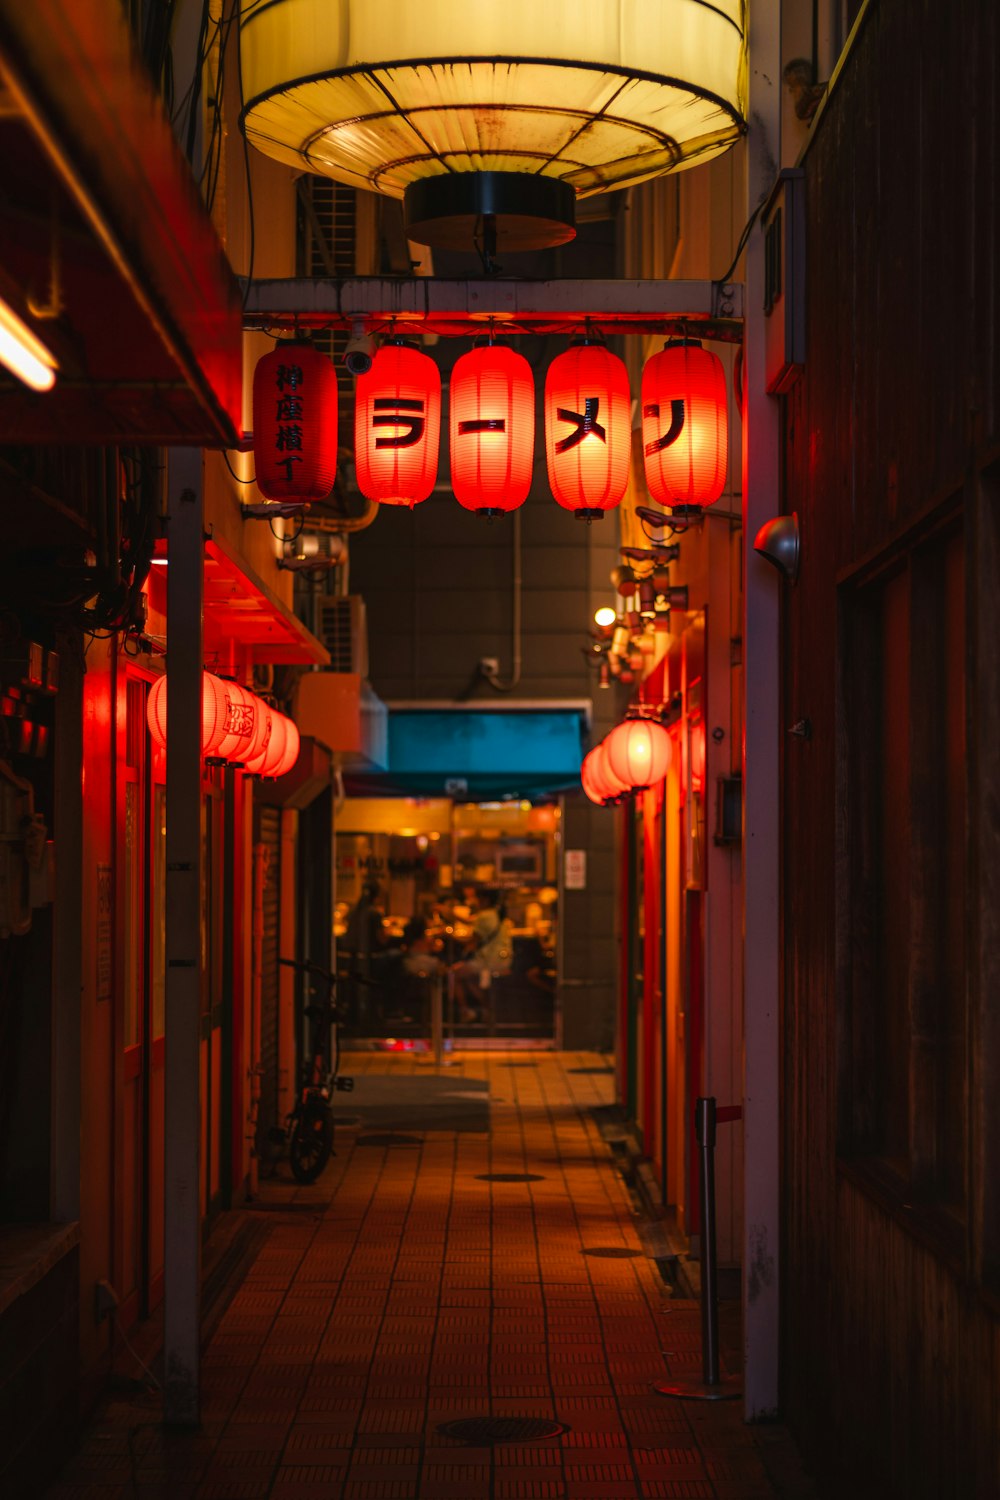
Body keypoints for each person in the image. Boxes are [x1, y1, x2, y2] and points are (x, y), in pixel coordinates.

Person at [451, 888, 512, 1022]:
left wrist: (449, 935)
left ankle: (466, 1011)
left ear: (485, 900)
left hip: (488, 961)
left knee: (454, 974)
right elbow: (470, 922)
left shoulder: (485, 916)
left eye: (477, 899)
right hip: (502, 960)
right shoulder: (496, 913)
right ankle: (487, 1010)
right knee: (470, 978)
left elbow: (471, 940)